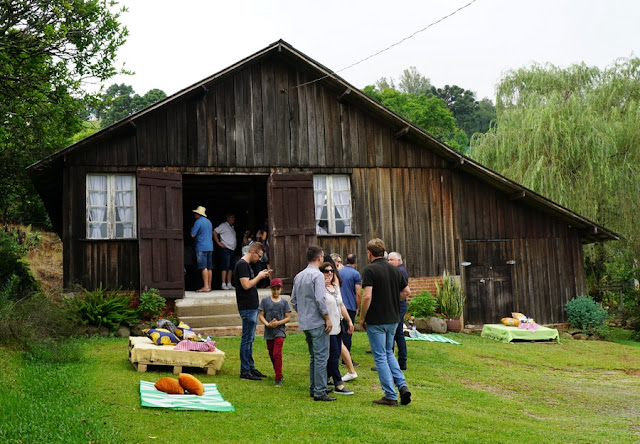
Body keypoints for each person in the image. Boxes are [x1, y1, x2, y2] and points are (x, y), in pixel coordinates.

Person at [360, 238, 412, 406]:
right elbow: (406, 291)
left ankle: (390, 395)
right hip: (393, 318)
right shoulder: (395, 270)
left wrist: (362, 317)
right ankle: (402, 385)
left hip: (376, 320)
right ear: (384, 252)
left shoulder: (370, 270)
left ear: (369, 253)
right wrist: (391, 299)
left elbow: (367, 296)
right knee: (389, 353)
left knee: (380, 356)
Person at [291, 245, 336, 402]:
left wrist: (303, 312)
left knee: (314, 357)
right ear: (319, 258)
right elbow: (320, 298)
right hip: (317, 321)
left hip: (306, 321)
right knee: (321, 357)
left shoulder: (299, 275)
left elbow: (294, 301)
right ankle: (319, 391)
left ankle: (315, 386)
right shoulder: (317, 276)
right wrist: (327, 317)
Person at [232, 241, 272, 381]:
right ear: (253, 252)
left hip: (251, 306)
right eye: (259, 256)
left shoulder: (247, 265)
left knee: (250, 339)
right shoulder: (242, 264)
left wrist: (262, 275)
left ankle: (250, 367)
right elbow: (246, 284)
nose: (260, 259)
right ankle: (245, 371)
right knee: (247, 339)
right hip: (247, 307)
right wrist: (259, 276)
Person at [319, 262, 354, 395]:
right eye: (326, 271)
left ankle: (327, 378)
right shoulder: (320, 289)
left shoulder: (335, 287)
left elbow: (341, 305)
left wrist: (349, 321)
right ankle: (338, 384)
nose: (329, 274)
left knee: (335, 353)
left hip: (338, 325)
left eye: (331, 271)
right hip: (328, 327)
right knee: (333, 355)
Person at [258, 278, 291, 386]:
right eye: (274, 289)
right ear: (271, 289)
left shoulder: (284, 302)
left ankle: (278, 377)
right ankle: (278, 371)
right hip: (269, 331)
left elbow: (288, 317)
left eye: (278, 289)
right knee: (272, 354)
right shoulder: (265, 301)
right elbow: (261, 315)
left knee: (277, 353)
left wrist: (278, 323)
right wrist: (267, 324)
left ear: (281, 289)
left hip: (279, 331)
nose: (276, 292)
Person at [388, 252, 409, 370]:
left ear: (399, 261)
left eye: (392, 260)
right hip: (400, 305)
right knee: (398, 333)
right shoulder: (398, 271)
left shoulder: (399, 272)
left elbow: (405, 291)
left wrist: (393, 300)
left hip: (398, 306)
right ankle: (401, 362)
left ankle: (394, 361)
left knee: (393, 333)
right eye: (388, 260)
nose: (389, 262)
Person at [339, 253, 361, 357]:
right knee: (348, 332)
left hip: (339, 306)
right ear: (355, 262)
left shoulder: (339, 272)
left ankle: (338, 354)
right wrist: (357, 307)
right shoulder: (356, 274)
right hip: (350, 306)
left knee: (339, 332)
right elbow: (358, 293)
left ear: (345, 260)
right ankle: (346, 358)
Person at [190, 206, 213, 292]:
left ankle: (206, 287)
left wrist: (191, 230)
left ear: (198, 214)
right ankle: (209, 286)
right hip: (210, 246)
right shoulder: (209, 222)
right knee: (209, 267)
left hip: (201, 246)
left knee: (203, 267)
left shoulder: (198, 222)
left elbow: (193, 235)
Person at [214, 213, 237, 290]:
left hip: (232, 249)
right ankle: (223, 283)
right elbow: (214, 231)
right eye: (232, 217)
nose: (233, 218)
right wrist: (218, 243)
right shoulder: (223, 225)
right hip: (226, 249)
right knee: (225, 266)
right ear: (228, 218)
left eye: (234, 217)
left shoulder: (232, 227)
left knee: (231, 267)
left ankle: (229, 283)